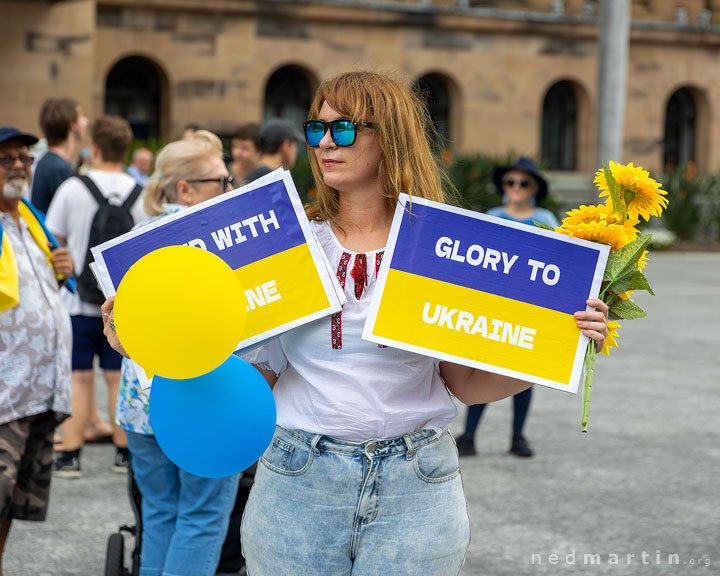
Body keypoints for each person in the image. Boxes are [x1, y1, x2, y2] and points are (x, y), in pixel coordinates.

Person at [103, 71, 607, 575]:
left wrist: (566, 348)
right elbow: (254, 377)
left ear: (390, 136)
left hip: (418, 484)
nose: (324, 143)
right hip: (298, 478)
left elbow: (465, 384)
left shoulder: (440, 244)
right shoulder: (289, 238)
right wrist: (150, 343)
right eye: (315, 129)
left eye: (343, 130)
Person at [103, 134, 239, 576]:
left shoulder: (136, 239)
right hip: (203, 403)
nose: (231, 188)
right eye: (222, 180)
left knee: (159, 514)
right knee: (201, 517)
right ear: (185, 188)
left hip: (141, 406)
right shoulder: (224, 242)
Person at [45, 116, 146, 477]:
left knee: (78, 375)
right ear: (126, 150)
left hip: (77, 302)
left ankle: (71, 454)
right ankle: (123, 451)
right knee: (117, 374)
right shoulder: (140, 193)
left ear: (96, 148)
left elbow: (53, 238)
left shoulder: (73, 188)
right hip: (121, 304)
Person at [0, 127, 74, 576]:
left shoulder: (31, 221)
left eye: (24, 158)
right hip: (5, 392)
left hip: (39, 392)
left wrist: (59, 269)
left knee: (10, 505)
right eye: (5, 159)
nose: (18, 167)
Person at [455, 157, 560, 459]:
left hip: (529, 306)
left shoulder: (546, 219)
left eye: (523, 183)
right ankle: (469, 435)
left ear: (534, 188)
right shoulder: (492, 215)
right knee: (482, 368)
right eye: (510, 182)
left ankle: (518, 436)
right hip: (494, 305)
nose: (516, 187)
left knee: (522, 375)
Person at [30, 98, 89, 215]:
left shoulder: (51, 162)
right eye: (81, 116)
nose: (86, 121)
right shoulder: (58, 168)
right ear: (72, 125)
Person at [242, 118, 303, 183]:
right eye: (295, 145)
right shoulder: (274, 180)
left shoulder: (255, 175)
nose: (296, 150)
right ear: (286, 145)